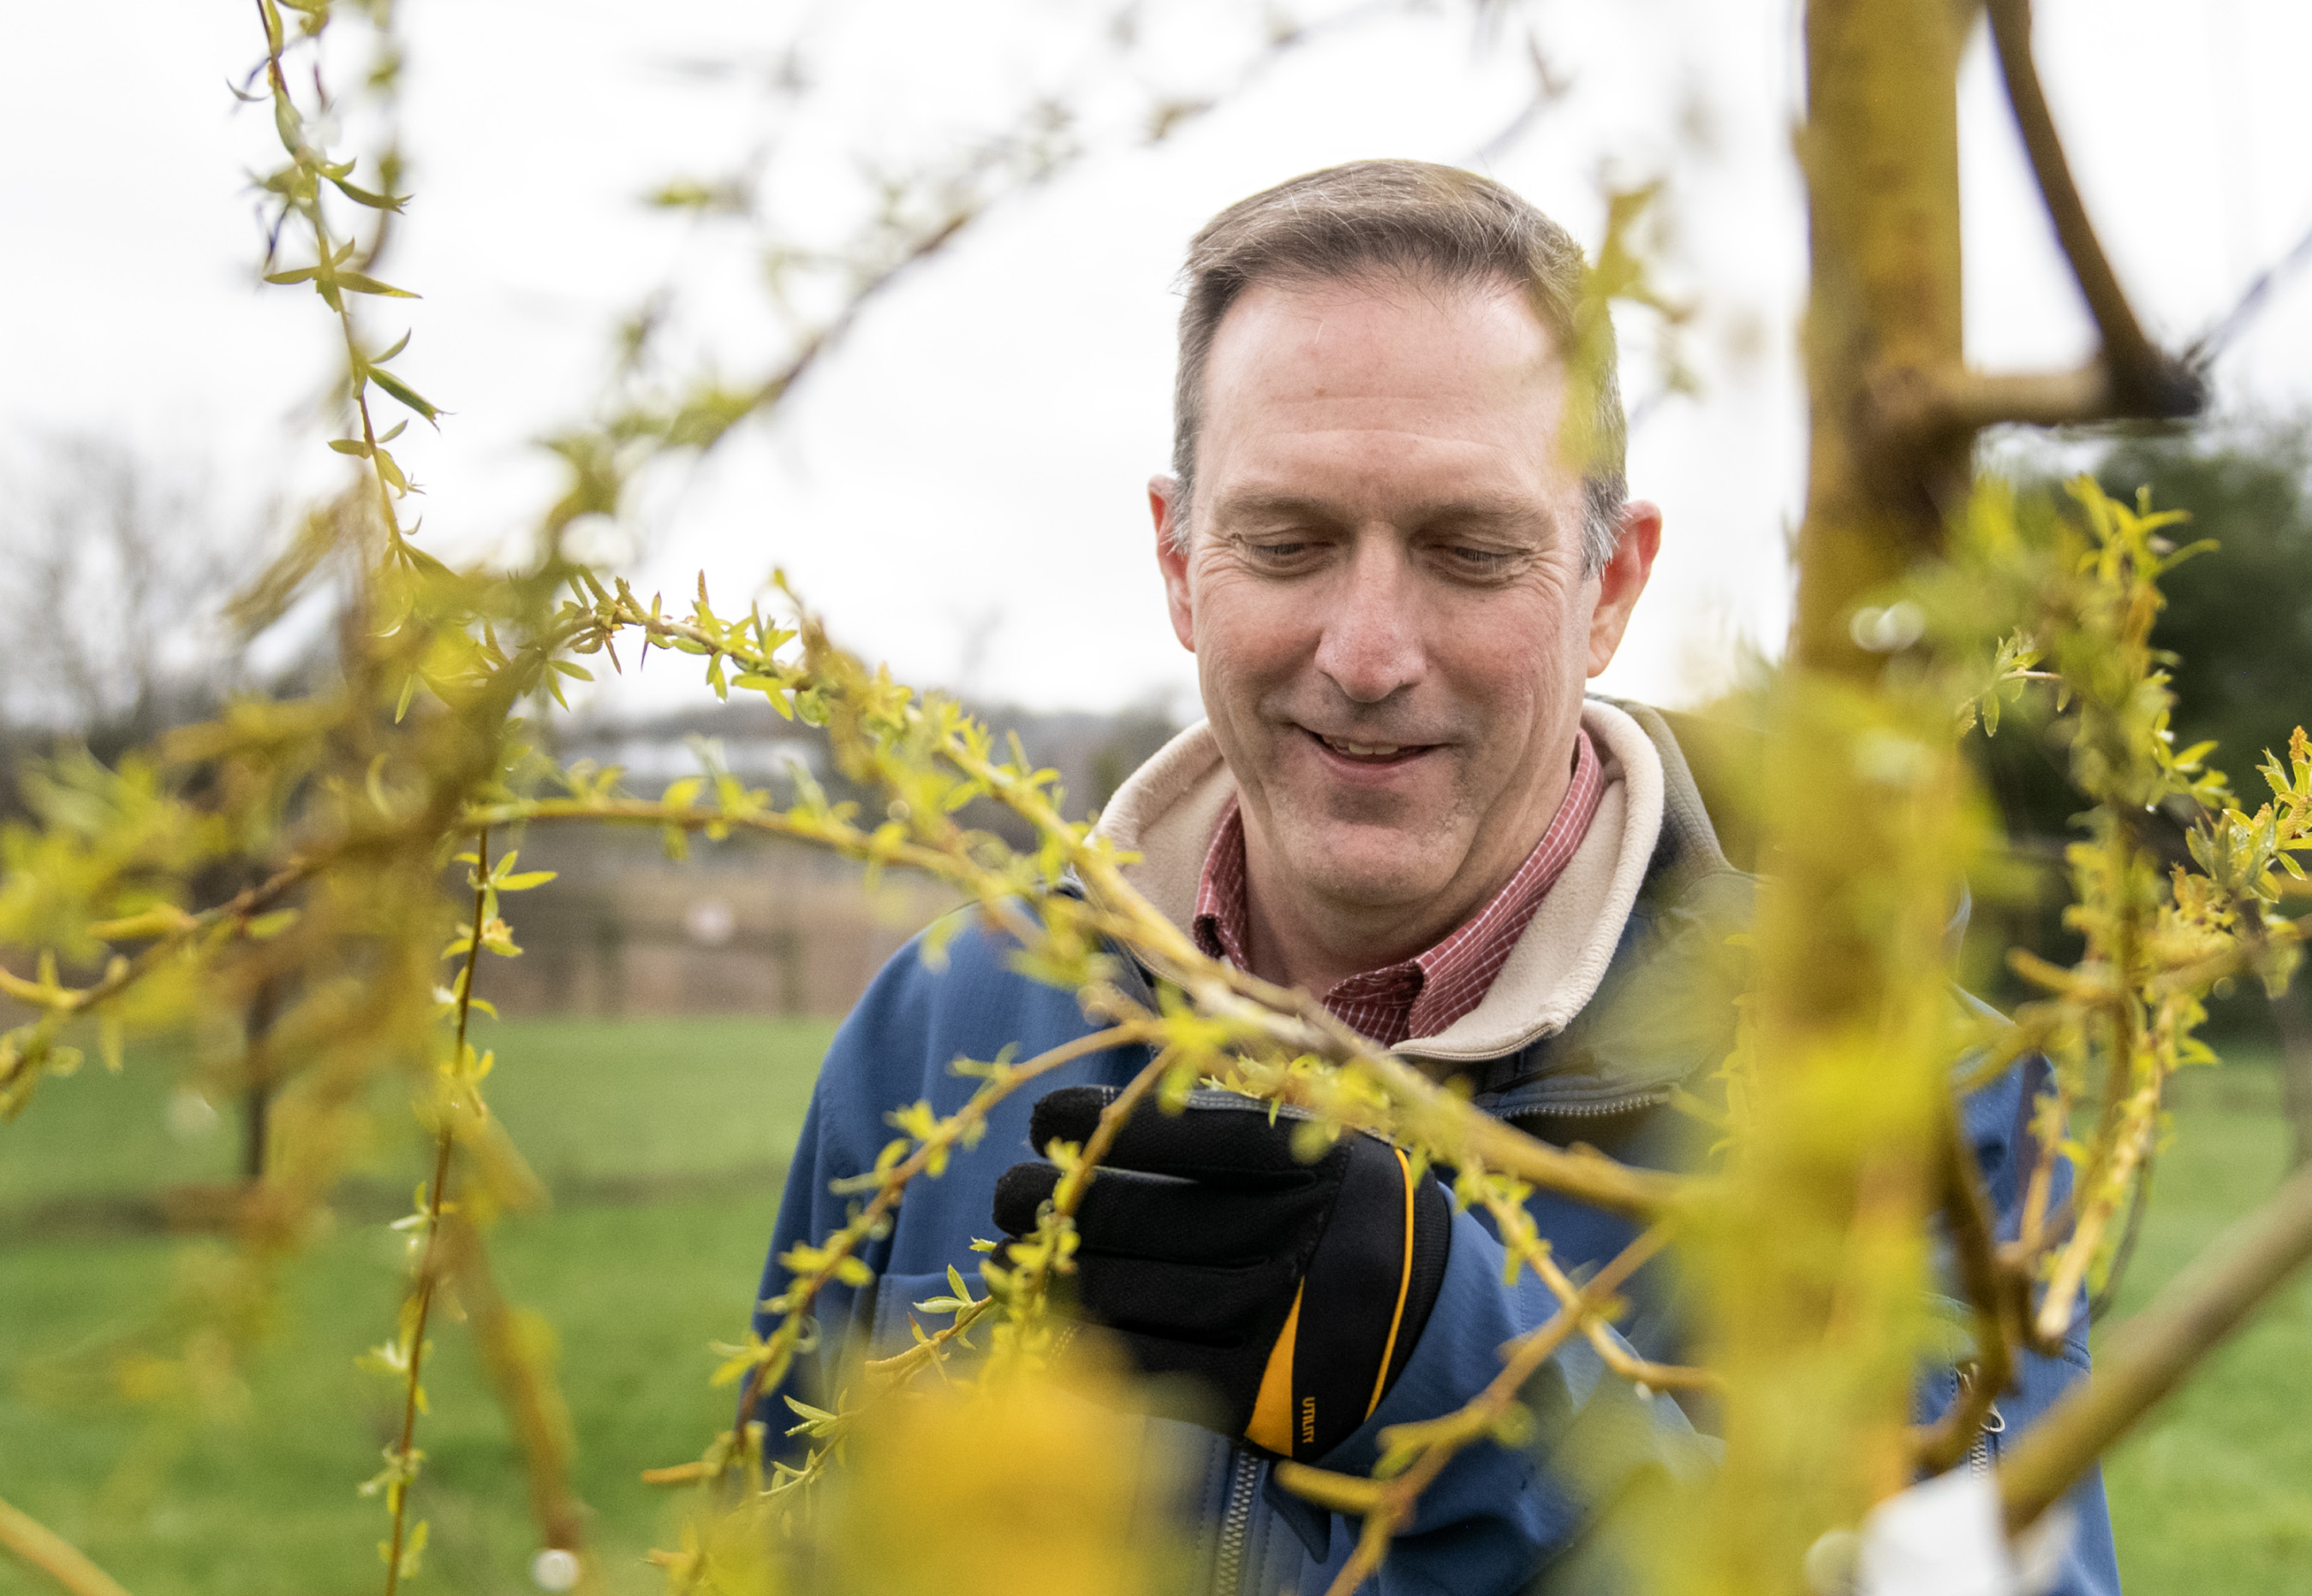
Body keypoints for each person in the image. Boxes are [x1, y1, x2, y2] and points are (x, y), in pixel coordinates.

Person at [753, 159, 2118, 1594]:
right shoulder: (948, 1022)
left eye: (1471, 553)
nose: (1367, 653)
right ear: (1175, 561)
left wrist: (1465, 1389)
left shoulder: (1894, 1090)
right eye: (1287, 543)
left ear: (1610, 589)